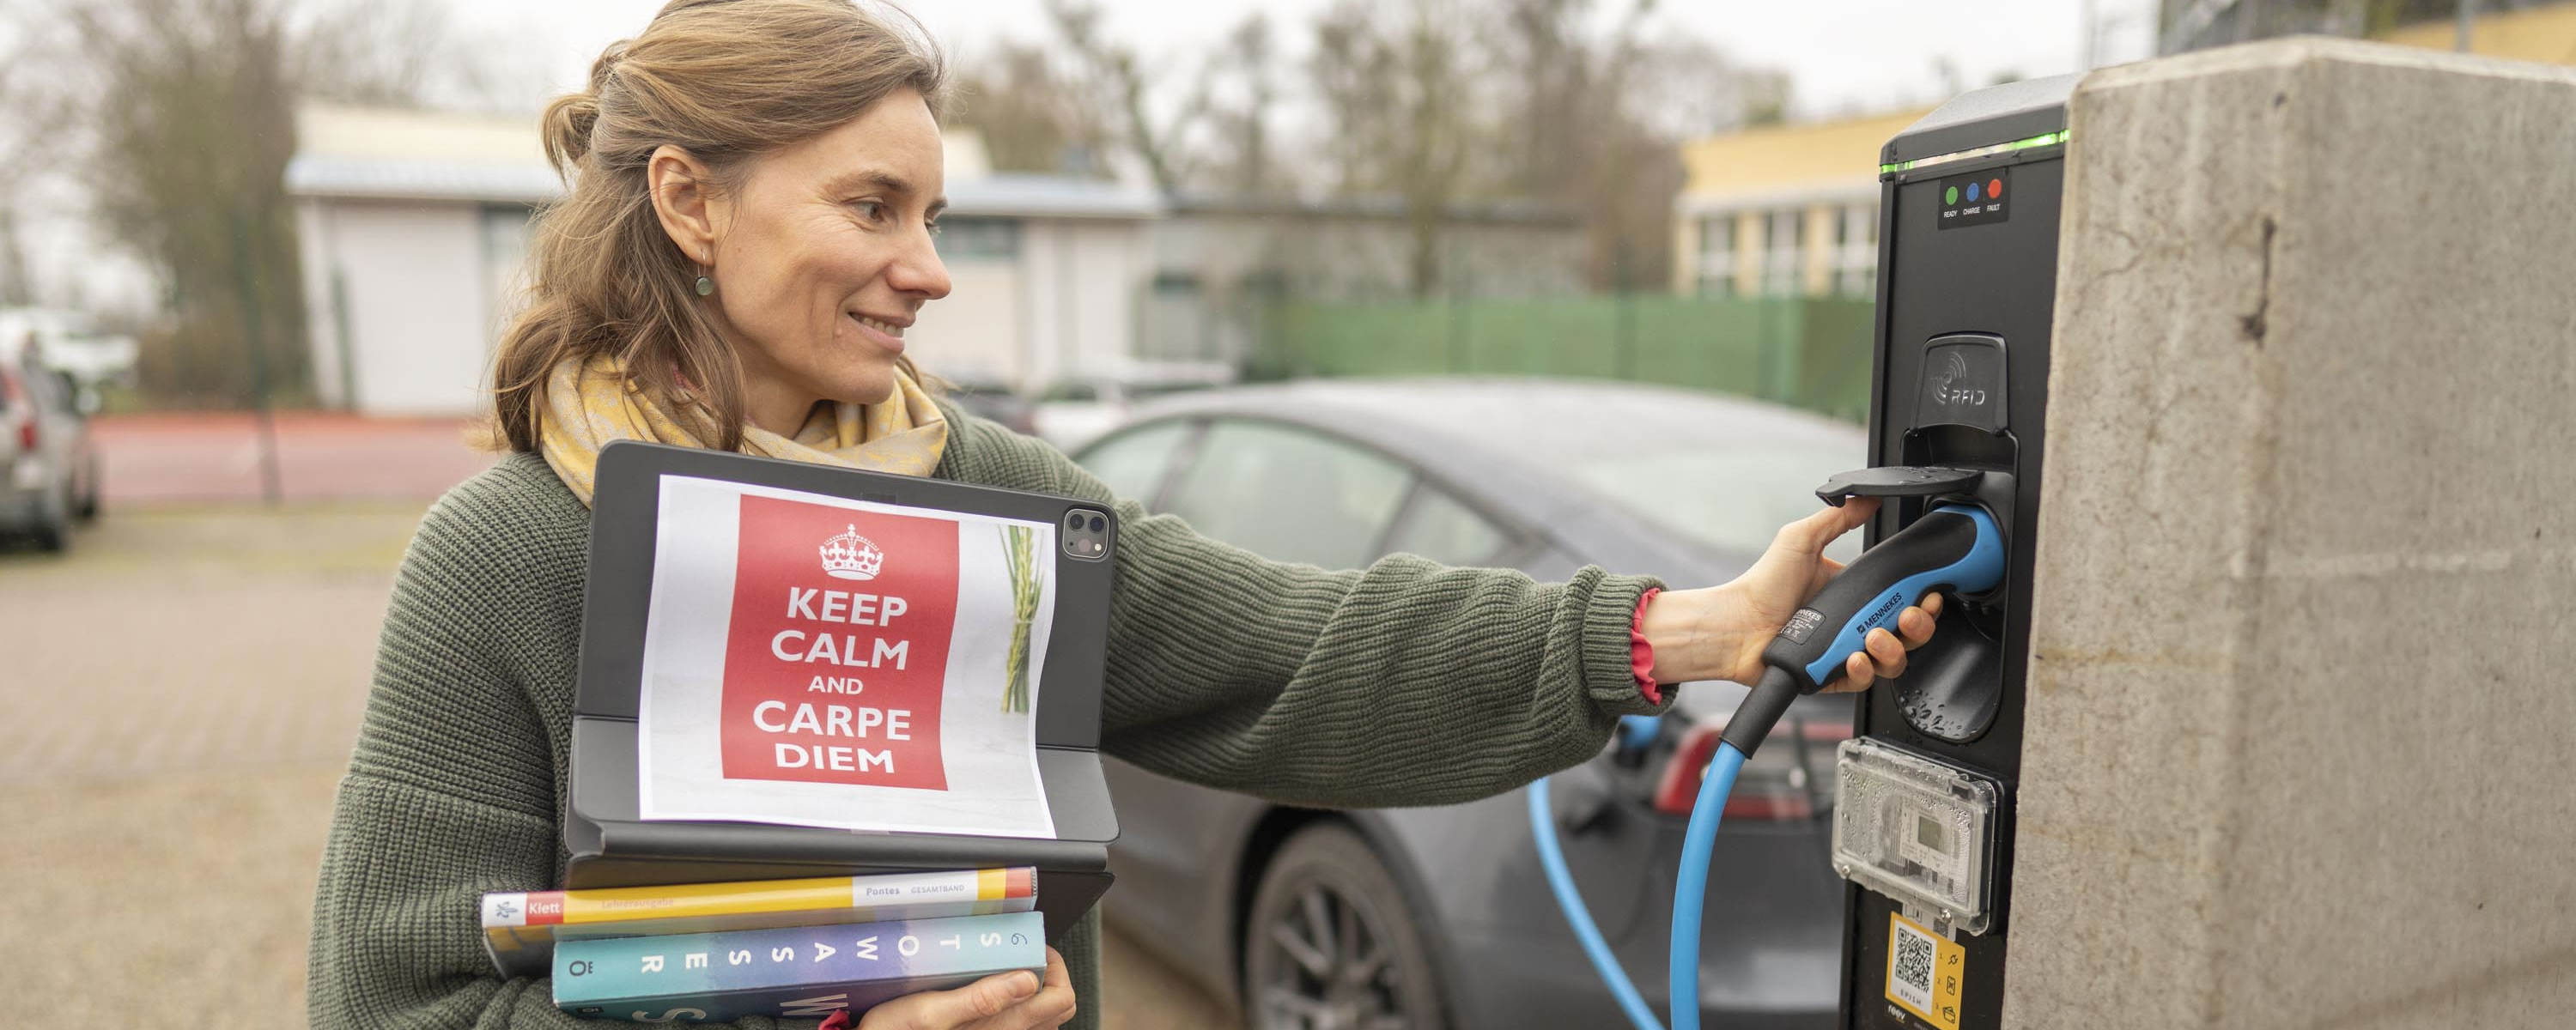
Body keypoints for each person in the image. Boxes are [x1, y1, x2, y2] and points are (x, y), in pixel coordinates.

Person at [303, 2, 1940, 1027]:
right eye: (871, 206)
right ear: (690, 202)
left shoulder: (1002, 507)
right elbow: (398, 1004)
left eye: (934, 212)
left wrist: (1695, 628)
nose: (929, 267)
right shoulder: (505, 556)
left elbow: (1304, 651)